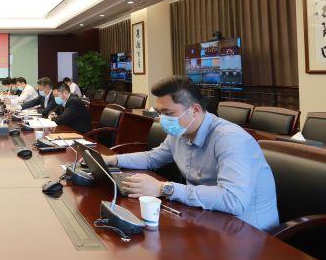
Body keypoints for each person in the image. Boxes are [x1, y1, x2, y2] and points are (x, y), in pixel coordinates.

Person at [102, 76, 279, 231]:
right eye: (160, 113)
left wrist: (164, 188)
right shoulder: (180, 132)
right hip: (206, 218)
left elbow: (234, 200)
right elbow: (151, 158)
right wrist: (112, 159)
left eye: (168, 113)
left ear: (194, 110)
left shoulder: (231, 139)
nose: (162, 119)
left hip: (247, 232)